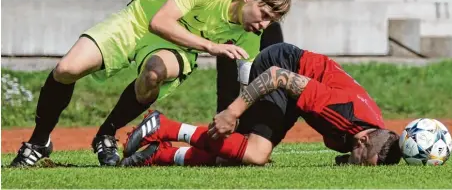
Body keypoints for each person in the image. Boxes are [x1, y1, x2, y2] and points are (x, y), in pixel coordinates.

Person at [10, 0, 291, 167]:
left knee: (154, 73)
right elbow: (160, 22)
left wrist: (243, 131)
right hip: (139, 21)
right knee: (66, 69)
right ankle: (38, 142)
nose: (264, 25)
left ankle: (106, 133)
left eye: (271, 21)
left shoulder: (250, 34)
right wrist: (211, 47)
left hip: (178, 49)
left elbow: (246, 84)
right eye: (264, 15)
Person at [120, 43, 402, 167]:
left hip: (295, 90)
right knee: (255, 153)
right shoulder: (341, 111)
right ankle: (163, 126)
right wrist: (233, 111)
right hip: (280, 65)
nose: (358, 166)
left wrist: (350, 158)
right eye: (363, 163)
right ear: (363, 139)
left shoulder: (372, 134)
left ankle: (160, 155)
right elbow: (277, 77)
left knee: (235, 158)